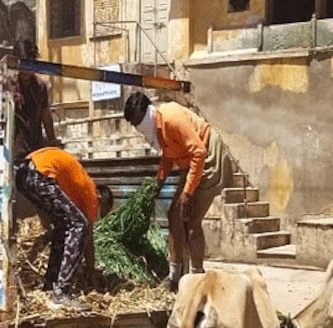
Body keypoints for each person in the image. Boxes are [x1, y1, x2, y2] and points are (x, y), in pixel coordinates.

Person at [124, 91, 229, 291]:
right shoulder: (157, 128)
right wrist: (158, 183)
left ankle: (197, 280)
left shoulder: (171, 119)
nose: (138, 128)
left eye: (138, 122)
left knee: (191, 219)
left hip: (207, 157)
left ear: (146, 114)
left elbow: (199, 152)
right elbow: (168, 156)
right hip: (189, 162)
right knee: (174, 215)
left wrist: (187, 193)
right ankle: (174, 276)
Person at [16, 146, 114, 305]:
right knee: (79, 225)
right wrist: (91, 271)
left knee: (63, 227)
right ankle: (62, 291)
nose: (96, 216)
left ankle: (50, 284)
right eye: (101, 213)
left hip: (23, 174)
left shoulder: (77, 191)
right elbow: (88, 236)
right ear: (101, 200)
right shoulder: (92, 194)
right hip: (39, 174)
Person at [0, 39, 57, 162]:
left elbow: (46, 114)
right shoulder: (5, 80)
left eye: (31, 64)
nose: (27, 70)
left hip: (35, 147)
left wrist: (52, 141)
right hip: (13, 147)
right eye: (23, 64)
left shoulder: (40, 86)